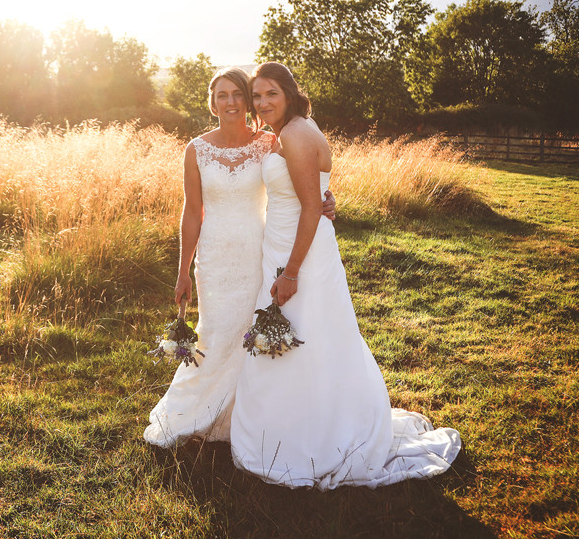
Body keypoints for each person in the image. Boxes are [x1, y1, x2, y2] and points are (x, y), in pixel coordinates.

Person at [229, 62, 461, 489]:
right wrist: (322, 201)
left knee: (303, 332)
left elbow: (312, 208)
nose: (262, 103)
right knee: (315, 334)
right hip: (290, 243)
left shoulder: (296, 134)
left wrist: (291, 272)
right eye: (257, 96)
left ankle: (311, 436)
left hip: (298, 254)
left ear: (289, 93)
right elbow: (314, 194)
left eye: (270, 95)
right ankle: (310, 419)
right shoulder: (296, 127)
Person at [144, 67, 335, 447]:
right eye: (221, 95)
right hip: (214, 256)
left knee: (249, 330)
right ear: (212, 102)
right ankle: (199, 411)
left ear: (247, 101)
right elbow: (191, 212)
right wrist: (183, 270)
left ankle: (246, 415)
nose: (230, 102)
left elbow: (302, 178)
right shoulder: (196, 149)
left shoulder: (269, 142)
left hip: (257, 251)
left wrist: (326, 201)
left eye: (237, 94)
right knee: (215, 330)